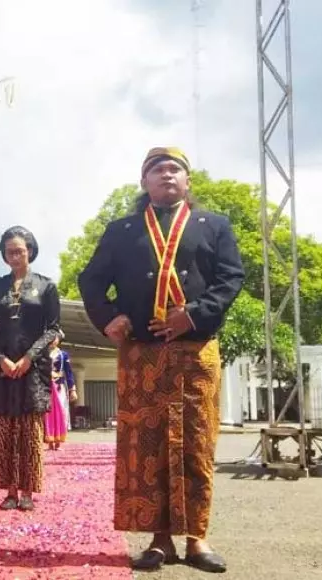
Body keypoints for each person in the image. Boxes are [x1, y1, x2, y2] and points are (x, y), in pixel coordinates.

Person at [78, 147, 244, 574]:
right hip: (141, 353)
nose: (167, 175)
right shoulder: (123, 230)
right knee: (146, 448)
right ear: (144, 182)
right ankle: (158, 541)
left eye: (175, 169)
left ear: (188, 181)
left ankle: (197, 538)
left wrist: (193, 313)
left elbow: (231, 278)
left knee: (195, 444)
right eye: (158, 169)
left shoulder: (214, 226)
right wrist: (107, 317)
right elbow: (91, 279)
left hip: (195, 352)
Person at [0, 226, 61, 511]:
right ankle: (10, 491)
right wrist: (1, 358)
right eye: (9, 251)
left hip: (33, 369)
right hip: (2, 368)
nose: (14, 256)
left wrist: (28, 358)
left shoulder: (46, 286)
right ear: (3, 254)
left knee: (29, 432)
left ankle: (27, 491)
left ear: (30, 252)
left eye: (20, 251)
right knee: (4, 431)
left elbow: (52, 329)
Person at [45, 339, 78, 451]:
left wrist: (72, 389)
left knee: (61, 412)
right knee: (48, 413)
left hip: (59, 386)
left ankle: (58, 442)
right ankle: (49, 442)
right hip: (46, 387)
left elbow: (68, 372)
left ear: (58, 340)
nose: (52, 340)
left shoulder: (63, 355)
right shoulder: (42, 353)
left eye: (55, 338)